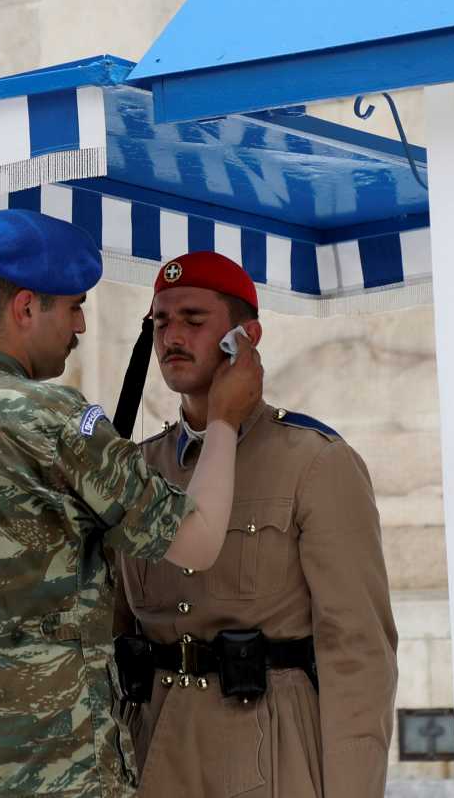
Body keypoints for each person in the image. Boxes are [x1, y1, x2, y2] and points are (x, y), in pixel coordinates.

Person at [0, 210, 264, 798]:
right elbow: (199, 539)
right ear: (26, 308)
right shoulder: (56, 420)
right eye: (73, 305)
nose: (82, 324)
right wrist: (224, 421)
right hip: (59, 776)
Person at [112, 251, 398, 798]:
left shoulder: (314, 461)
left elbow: (358, 650)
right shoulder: (138, 469)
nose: (173, 336)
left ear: (247, 336)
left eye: (194, 321)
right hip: (154, 750)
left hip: (270, 754)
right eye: (162, 321)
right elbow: (117, 625)